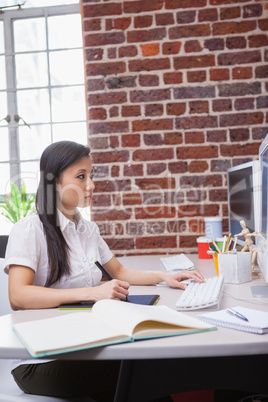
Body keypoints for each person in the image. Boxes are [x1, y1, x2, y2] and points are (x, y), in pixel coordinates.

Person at [4, 141, 205, 401]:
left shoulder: (87, 230)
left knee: (143, 369)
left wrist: (164, 277)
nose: (91, 185)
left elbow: (119, 270)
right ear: (54, 183)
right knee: (143, 370)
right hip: (40, 360)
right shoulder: (29, 229)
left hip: (83, 344)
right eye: (81, 176)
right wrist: (94, 292)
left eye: (91, 175)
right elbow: (18, 296)